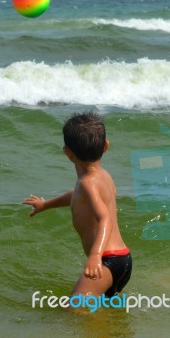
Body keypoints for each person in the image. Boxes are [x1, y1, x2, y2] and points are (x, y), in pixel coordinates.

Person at [22, 111, 132, 298]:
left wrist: (95, 256)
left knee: (74, 309)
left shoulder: (87, 182)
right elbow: (77, 197)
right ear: (106, 146)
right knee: (101, 309)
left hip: (106, 260)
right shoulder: (103, 176)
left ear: (67, 152)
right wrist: (46, 204)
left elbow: (105, 219)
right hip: (123, 259)